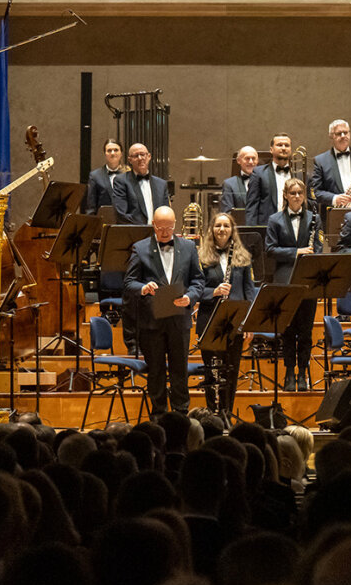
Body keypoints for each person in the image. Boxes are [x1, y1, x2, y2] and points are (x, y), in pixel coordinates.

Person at [126, 206, 203, 415]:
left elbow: (198, 280)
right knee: (156, 371)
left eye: (169, 227)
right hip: (152, 321)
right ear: (153, 225)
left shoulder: (188, 247)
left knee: (180, 370)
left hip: (180, 319)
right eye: (161, 228)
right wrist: (143, 288)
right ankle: (158, 415)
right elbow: (129, 282)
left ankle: (181, 413)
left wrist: (190, 297)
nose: (166, 232)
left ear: (175, 224)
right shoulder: (140, 249)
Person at [191, 211, 255, 419]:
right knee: (212, 370)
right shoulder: (200, 257)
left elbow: (249, 291)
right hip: (209, 319)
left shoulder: (243, 257)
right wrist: (214, 292)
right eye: (218, 225)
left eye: (226, 226)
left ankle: (226, 410)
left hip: (235, 319)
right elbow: (194, 289)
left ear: (232, 230)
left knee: (231, 369)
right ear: (212, 229)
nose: (222, 229)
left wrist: (247, 322)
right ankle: (212, 412)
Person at [264, 178, 322, 392]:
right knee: (287, 331)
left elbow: (319, 244)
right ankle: (289, 372)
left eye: (300, 193)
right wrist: (296, 253)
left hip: (308, 282)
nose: (297, 196)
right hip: (284, 281)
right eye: (293, 193)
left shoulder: (314, 218)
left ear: (304, 195)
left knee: (306, 331)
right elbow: (269, 249)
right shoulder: (275, 220)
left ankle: (303, 373)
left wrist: (313, 252)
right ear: (286, 196)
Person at [313, 119, 351, 209]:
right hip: (334, 214)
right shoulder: (320, 160)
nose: (343, 136)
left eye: (345, 132)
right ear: (331, 136)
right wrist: (335, 198)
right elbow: (317, 192)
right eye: (338, 133)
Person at [111, 143, 172, 226]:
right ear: (130, 160)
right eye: (136, 156)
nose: (140, 158)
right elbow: (121, 214)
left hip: (157, 234)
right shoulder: (121, 181)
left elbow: (166, 213)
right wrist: (144, 228)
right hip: (134, 234)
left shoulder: (161, 184)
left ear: (149, 157)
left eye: (142, 155)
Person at [248, 133, 297, 225]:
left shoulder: (300, 175)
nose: (283, 148)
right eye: (279, 145)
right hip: (268, 228)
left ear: (291, 150)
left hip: (294, 227)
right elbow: (252, 207)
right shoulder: (259, 173)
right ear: (271, 149)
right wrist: (251, 233)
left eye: (287, 145)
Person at [85, 138, 131, 214]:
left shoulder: (129, 174)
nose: (112, 153)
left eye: (116, 150)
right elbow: (91, 207)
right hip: (104, 221)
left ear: (121, 153)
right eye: (109, 150)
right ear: (105, 154)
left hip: (125, 222)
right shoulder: (95, 176)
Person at [221, 146, 260, 218]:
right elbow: (227, 213)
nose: (251, 162)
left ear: (257, 161)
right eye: (247, 158)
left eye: (253, 159)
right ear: (239, 160)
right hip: (239, 227)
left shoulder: (265, 181)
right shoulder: (229, 184)